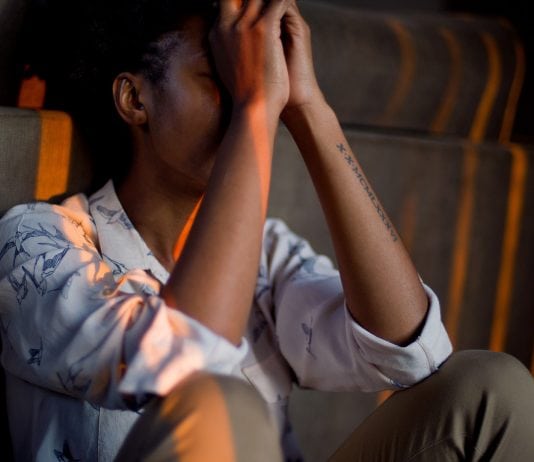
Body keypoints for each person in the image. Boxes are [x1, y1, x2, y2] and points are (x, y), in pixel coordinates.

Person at [0, 0, 533, 460]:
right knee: (220, 403)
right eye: (224, 77)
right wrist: (254, 108)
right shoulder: (36, 245)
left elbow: (414, 353)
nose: (252, 94)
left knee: (492, 389)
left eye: (259, 77)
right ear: (135, 100)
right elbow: (194, 361)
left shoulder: (268, 252)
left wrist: (308, 106)